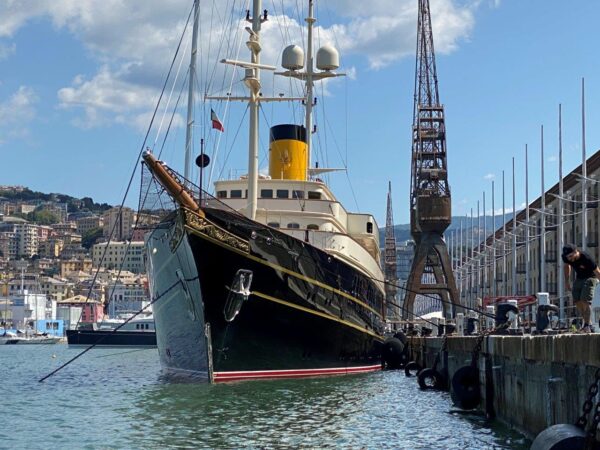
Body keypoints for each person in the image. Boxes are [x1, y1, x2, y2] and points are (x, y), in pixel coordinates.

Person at [562, 244, 600, 332]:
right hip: (579, 278)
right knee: (576, 299)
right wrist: (567, 281)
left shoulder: (586, 258)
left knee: (584, 300)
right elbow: (567, 266)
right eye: (568, 257)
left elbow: (597, 271)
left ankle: (587, 325)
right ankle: (589, 324)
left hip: (591, 277)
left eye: (571, 256)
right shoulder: (566, 258)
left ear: (576, 252)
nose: (570, 259)